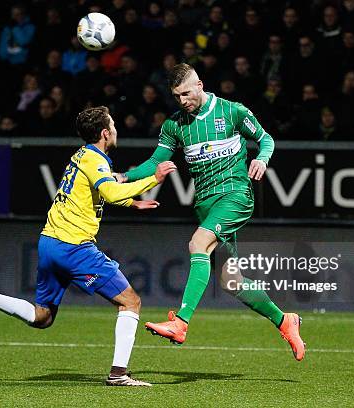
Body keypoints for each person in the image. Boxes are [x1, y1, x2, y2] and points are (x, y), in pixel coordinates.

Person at [0, 106, 177, 386]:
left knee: (42, 317)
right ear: (105, 133)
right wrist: (154, 179)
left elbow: (93, 192)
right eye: (113, 125)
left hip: (50, 243)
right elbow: (109, 191)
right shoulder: (95, 160)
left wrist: (132, 201)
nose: (116, 129)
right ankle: (118, 374)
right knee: (130, 301)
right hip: (74, 248)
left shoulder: (83, 155)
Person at [115, 63, 305, 361]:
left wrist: (263, 159)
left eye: (186, 94)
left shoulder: (233, 112)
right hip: (205, 205)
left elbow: (265, 139)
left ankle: (181, 323)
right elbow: (155, 161)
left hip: (235, 196)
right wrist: (125, 177)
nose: (182, 101)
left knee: (197, 244)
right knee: (233, 282)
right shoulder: (175, 125)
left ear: (200, 85)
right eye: (177, 96)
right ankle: (285, 320)